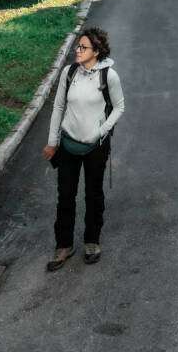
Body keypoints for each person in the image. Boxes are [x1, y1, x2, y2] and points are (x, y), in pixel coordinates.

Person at [42, 26, 124, 270]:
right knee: (65, 195)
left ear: (96, 51)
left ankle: (92, 240)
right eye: (78, 46)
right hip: (68, 143)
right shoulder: (69, 73)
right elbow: (58, 108)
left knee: (93, 194)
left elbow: (119, 107)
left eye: (83, 47)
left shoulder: (108, 76)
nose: (77, 50)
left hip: (95, 147)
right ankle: (64, 245)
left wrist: (102, 131)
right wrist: (52, 142)